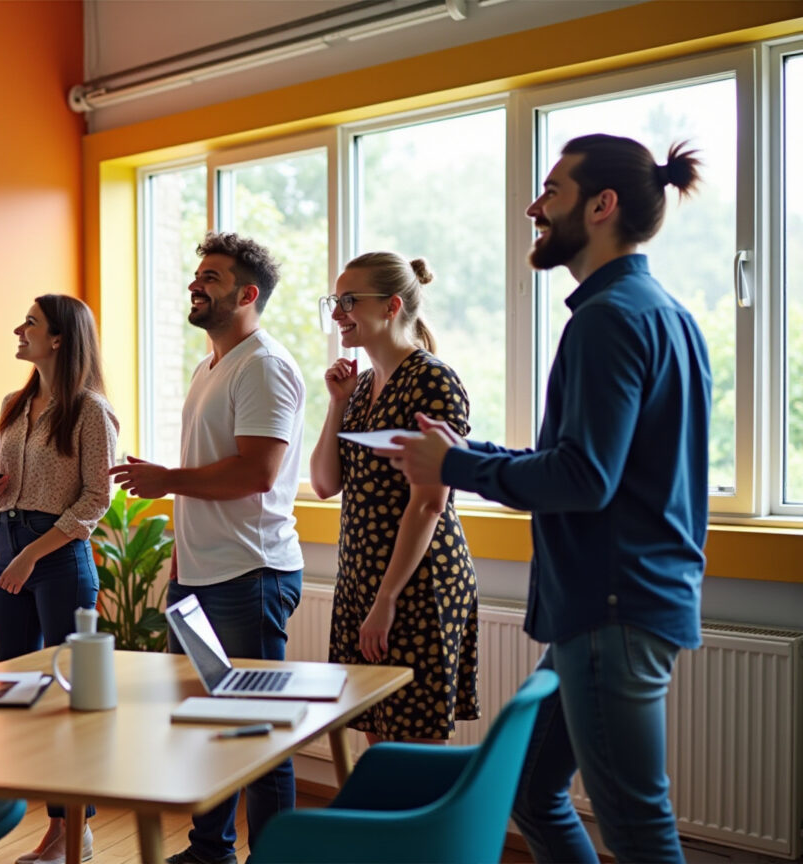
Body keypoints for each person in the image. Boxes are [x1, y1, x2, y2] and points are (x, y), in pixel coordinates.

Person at [380, 135, 708, 864]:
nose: (534, 205)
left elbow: (585, 480)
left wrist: (456, 467)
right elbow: (585, 461)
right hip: (616, 607)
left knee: (635, 822)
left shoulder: (608, 319)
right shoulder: (663, 313)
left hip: (613, 609)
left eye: (551, 190)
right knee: (530, 791)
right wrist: (461, 456)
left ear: (602, 206)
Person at [110, 232, 304, 864]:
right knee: (204, 725)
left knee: (260, 733)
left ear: (247, 295)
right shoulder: (211, 365)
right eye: (197, 275)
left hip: (251, 574)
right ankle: (209, 851)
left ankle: (273, 856)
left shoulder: (264, 366)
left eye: (212, 278)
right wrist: (178, 552)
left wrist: (166, 481)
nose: (196, 284)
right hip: (200, 575)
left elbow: (256, 473)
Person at [308, 253, 479, 745]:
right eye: (335, 301)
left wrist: (387, 599)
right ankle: (383, 825)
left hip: (415, 585)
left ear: (391, 306)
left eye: (348, 301)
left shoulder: (433, 381)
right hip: (363, 579)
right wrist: (337, 404)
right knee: (379, 735)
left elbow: (429, 503)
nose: (338, 313)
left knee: (413, 743)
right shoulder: (360, 387)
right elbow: (324, 484)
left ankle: (421, 827)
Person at [0, 294, 117, 864]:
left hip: (56, 557)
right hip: (8, 545)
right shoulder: (14, 403)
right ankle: (57, 825)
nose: (18, 328)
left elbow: (96, 497)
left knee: (65, 703)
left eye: (29, 322)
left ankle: (70, 830)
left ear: (58, 338)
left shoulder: (90, 410)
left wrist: (33, 552)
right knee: (19, 693)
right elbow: (6, 488)